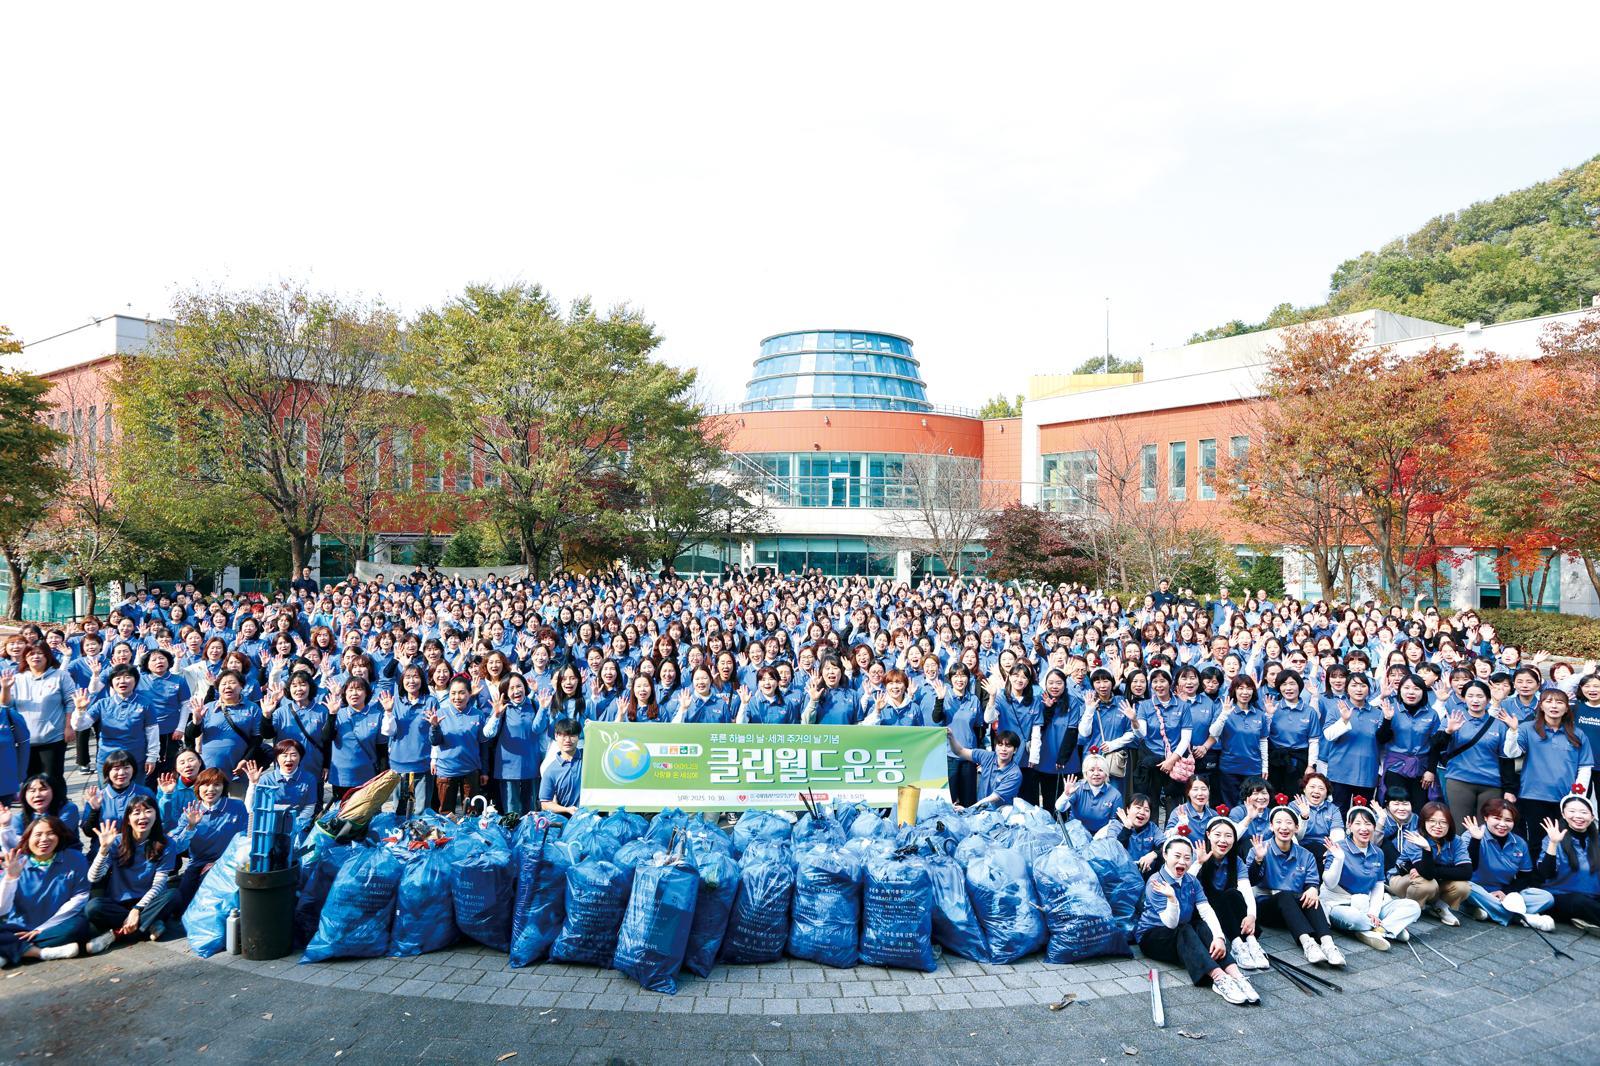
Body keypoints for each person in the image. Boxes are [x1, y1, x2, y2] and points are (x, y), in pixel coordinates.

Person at [1135, 831, 1259, 1005]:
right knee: (1185, 929)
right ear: (1165, 855)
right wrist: (1172, 899)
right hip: (1152, 937)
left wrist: (1219, 937)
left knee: (1200, 925)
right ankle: (1219, 978)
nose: (1182, 862)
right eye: (1177, 856)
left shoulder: (1191, 880)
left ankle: (1236, 975)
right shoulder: (1156, 882)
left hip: (1180, 932)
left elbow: (1206, 910)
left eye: (1187, 857)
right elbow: (1171, 923)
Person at [1251, 801, 1345, 967]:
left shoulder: (1306, 855)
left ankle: (1328, 944)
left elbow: (1312, 881)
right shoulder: (1260, 849)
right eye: (1278, 822)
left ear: (1296, 828)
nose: (1284, 827)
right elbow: (1251, 880)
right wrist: (1258, 860)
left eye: (1289, 823)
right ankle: (1308, 943)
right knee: (1285, 895)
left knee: (1311, 897)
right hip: (1268, 907)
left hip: (1294, 909)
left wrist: (1313, 889)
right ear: (1271, 827)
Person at [1321, 801, 1422, 951]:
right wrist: (1339, 859)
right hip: (1340, 903)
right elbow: (1329, 883)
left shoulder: (1377, 852)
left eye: (1368, 824)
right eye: (1358, 823)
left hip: (1367, 903)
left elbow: (1378, 884)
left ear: (1374, 827)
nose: (1364, 828)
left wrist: (1373, 912)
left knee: (1413, 907)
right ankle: (1389, 927)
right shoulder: (1338, 848)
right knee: (1354, 919)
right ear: (1349, 826)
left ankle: (1379, 930)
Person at [84, 794, 175, 952]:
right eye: (136, 812)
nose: (142, 817)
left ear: (156, 815)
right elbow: (93, 877)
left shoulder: (167, 844)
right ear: (127, 818)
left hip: (148, 903)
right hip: (119, 903)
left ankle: (117, 934)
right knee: (93, 907)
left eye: (148, 811)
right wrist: (103, 850)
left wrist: (137, 909)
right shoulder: (117, 841)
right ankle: (149, 925)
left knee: (172, 895)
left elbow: (159, 884)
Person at [0, 816, 90, 965]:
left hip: (55, 926)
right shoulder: (18, 862)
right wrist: (10, 877)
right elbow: (2, 909)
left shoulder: (76, 859)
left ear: (60, 836)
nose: (44, 839)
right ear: (27, 838)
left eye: (50, 833)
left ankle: (11, 950)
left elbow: (79, 898)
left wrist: (42, 929)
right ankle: (40, 953)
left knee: (78, 926)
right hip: (19, 927)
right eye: (38, 834)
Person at [1460, 798, 1555, 930]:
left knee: (1546, 897)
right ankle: (1523, 918)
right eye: (1497, 818)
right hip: (1477, 891)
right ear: (1486, 817)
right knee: (1465, 887)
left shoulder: (1520, 843)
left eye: (1508, 820)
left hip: (1505, 894)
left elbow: (1524, 876)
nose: (1502, 824)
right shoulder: (1470, 835)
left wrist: (1505, 892)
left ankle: (1490, 912)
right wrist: (1476, 840)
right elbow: (1469, 868)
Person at [1193, 814, 1270, 971]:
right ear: (1208, 835)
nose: (1223, 840)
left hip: (1226, 909)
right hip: (1203, 912)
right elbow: (1184, 885)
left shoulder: (1236, 861)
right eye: (1217, 835)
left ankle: (1251, 941)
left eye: (1228, 836)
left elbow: (1246, 890)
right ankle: (1236, 944)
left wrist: (1251, 916)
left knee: (1233, 894)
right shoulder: (1197, 855)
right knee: (1217, 895)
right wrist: (1198, 863)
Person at [168, 767, 247, 912]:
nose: (211, 789)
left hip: (226, 864)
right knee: (180, 906)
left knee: (209, 902)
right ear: (198, 788)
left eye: (216, 784)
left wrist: (219, 863)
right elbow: (177, 847)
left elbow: (243, 839)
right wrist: (191, 827)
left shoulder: (236, 806)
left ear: (223, 787)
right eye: (205, 785)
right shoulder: (191, 811)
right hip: (197, 863)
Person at [2, 644, 77, 794]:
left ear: (47, 656)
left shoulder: (60, 676)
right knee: (28, 781)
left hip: (52, 738)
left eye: (40, 653)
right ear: (25, 658)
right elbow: (6, 705)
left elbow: (71, 702)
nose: (35, 656)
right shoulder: (17, 678)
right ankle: (32, 815)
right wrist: (5, 688)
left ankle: (57, 812)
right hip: (24, 741)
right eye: (31, 654)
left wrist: (69, 727)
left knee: (52, 780)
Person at [1393, 801, 1473, 926]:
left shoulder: (1456, 841)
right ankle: (1409, 909)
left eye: (1443, 822)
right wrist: (1426, 849)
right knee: (1427, 884)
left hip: (1433, 879)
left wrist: (1428, 869)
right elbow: (1428, 875)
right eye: (1432, 821)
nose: (1438, 826)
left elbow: (1466, 872)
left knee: (1463, 887)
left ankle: (1438, 906)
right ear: (1424, 822)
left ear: (1450, 824)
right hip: (1403, 879)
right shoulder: (1415, 838)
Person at [1537, 788, 1600, 932]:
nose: (1578, 816)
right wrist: (1553, 844)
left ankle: (1586, 920)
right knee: (1580, 902)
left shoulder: (1597, 841)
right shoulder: (1553, 838)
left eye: (1584, 812)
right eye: (1572, 811)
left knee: (1587, 904)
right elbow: (1545, 874)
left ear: (1591, 817)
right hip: (1561, 897)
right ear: (1563, 815)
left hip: (1593, 898)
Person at [946, 727, 1022, 810]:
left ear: (1015, 750)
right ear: (996, 747)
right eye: (1000, 745)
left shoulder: (1015, 774)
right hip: (980, 810)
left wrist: (968, 810)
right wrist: (951, 737)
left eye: (1008, 746)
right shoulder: (987, 756)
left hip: (1001, 815)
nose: (1003, 749)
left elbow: (993, 798)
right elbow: (960, 751)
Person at [3, 775, 82, 852]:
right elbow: (16, 847)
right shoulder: (19, 818)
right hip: (32, 861)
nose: (37, 795)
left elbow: (58, 835)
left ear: (54, 791)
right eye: (32, 791)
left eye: (43, 789)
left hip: (65, 857)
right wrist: (6, 826)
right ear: (24, 795)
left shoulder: (68, 809)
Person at [1054, 753, 1122, 834]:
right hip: (1076, 833)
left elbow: (1113, 823)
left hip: (1101, 835)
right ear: (1085, 773)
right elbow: (1059, 808)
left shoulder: (1115, 795)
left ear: (1106, 773)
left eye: (1100, 770)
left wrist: (1098, 838)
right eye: (1092, 770)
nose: (1096, 773)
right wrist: (1066, 795)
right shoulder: (1077, 788)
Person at [539, 718, 583, 816]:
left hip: (594, 819)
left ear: (578, 737)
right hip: (567, 820)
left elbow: (605, 745)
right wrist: (567, 809)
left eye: (572, 735)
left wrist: (620, 716)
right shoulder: (550, 770)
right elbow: (545, 803)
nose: (567, 740)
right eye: (563, 735)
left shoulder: (588, 757)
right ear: (556, 736)